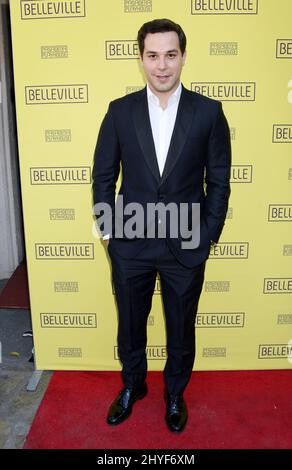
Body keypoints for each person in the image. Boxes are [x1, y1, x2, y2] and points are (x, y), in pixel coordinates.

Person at [92, 18, 231, 433]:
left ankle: (175, 393)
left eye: (171, 55)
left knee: (181, 326)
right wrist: (109, 233)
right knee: (130, 323)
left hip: (186, 243)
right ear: (141, 59)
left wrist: (206, 237)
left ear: (183, 57)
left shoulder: (209, 112)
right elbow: (103, 177)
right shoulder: (119, 112)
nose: (162, 65)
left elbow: (219, 181)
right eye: (153, 55)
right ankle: (133, 386)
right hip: (130, 242)